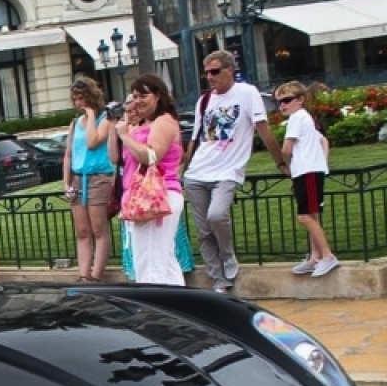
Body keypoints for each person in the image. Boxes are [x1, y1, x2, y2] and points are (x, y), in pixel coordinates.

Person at [182, 50, 288, 293]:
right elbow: (196, 137)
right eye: (206, 72)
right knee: (204, 231)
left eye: (215, 71)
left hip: (227, 171)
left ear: (230, 70)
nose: (209, 77)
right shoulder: (204, 101)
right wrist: (185, 169)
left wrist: (280, 162)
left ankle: (228, 256)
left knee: (217, 215)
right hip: (198, 172)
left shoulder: (247, 93)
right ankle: (218, 279)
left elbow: (263, 128)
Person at [111, 74, 186, 286]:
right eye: (134, 96)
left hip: (158, 196)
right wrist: (119, 128)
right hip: (143, 197)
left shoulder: (164, 121)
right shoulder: (142, 125)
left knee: (151, 262)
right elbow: (114, 158)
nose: (138, 101)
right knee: (162, 260)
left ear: (158, 96)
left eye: (143, 95)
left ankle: (157, 310)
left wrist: (126, 136)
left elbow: (151, 157)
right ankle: (180, 309)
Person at [276, 82, 338, 277]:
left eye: (286, 100)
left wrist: (284, 163)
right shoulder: (305, 118)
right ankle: (315, 256)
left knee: (304, 216)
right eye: (279, 102)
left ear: (300, 100)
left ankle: (327, 255)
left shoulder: (297, 118)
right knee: (311, 215)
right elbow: (323, 140)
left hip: (306, 171)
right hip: (309, 170)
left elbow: (286, 148)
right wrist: (322, 163)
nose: (282, 105)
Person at [63, 77, 117, 282]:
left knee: (98, 228)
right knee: (83, 230)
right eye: (75, 99)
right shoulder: (75, 123)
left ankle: (95, 275)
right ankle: (83, 273)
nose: (78, 103)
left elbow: (93, 142)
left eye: (81, 98)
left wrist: (92, 114)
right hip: (78, 178)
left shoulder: (104, 119)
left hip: (98, 177)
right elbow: (68, 154)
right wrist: (66, 182)